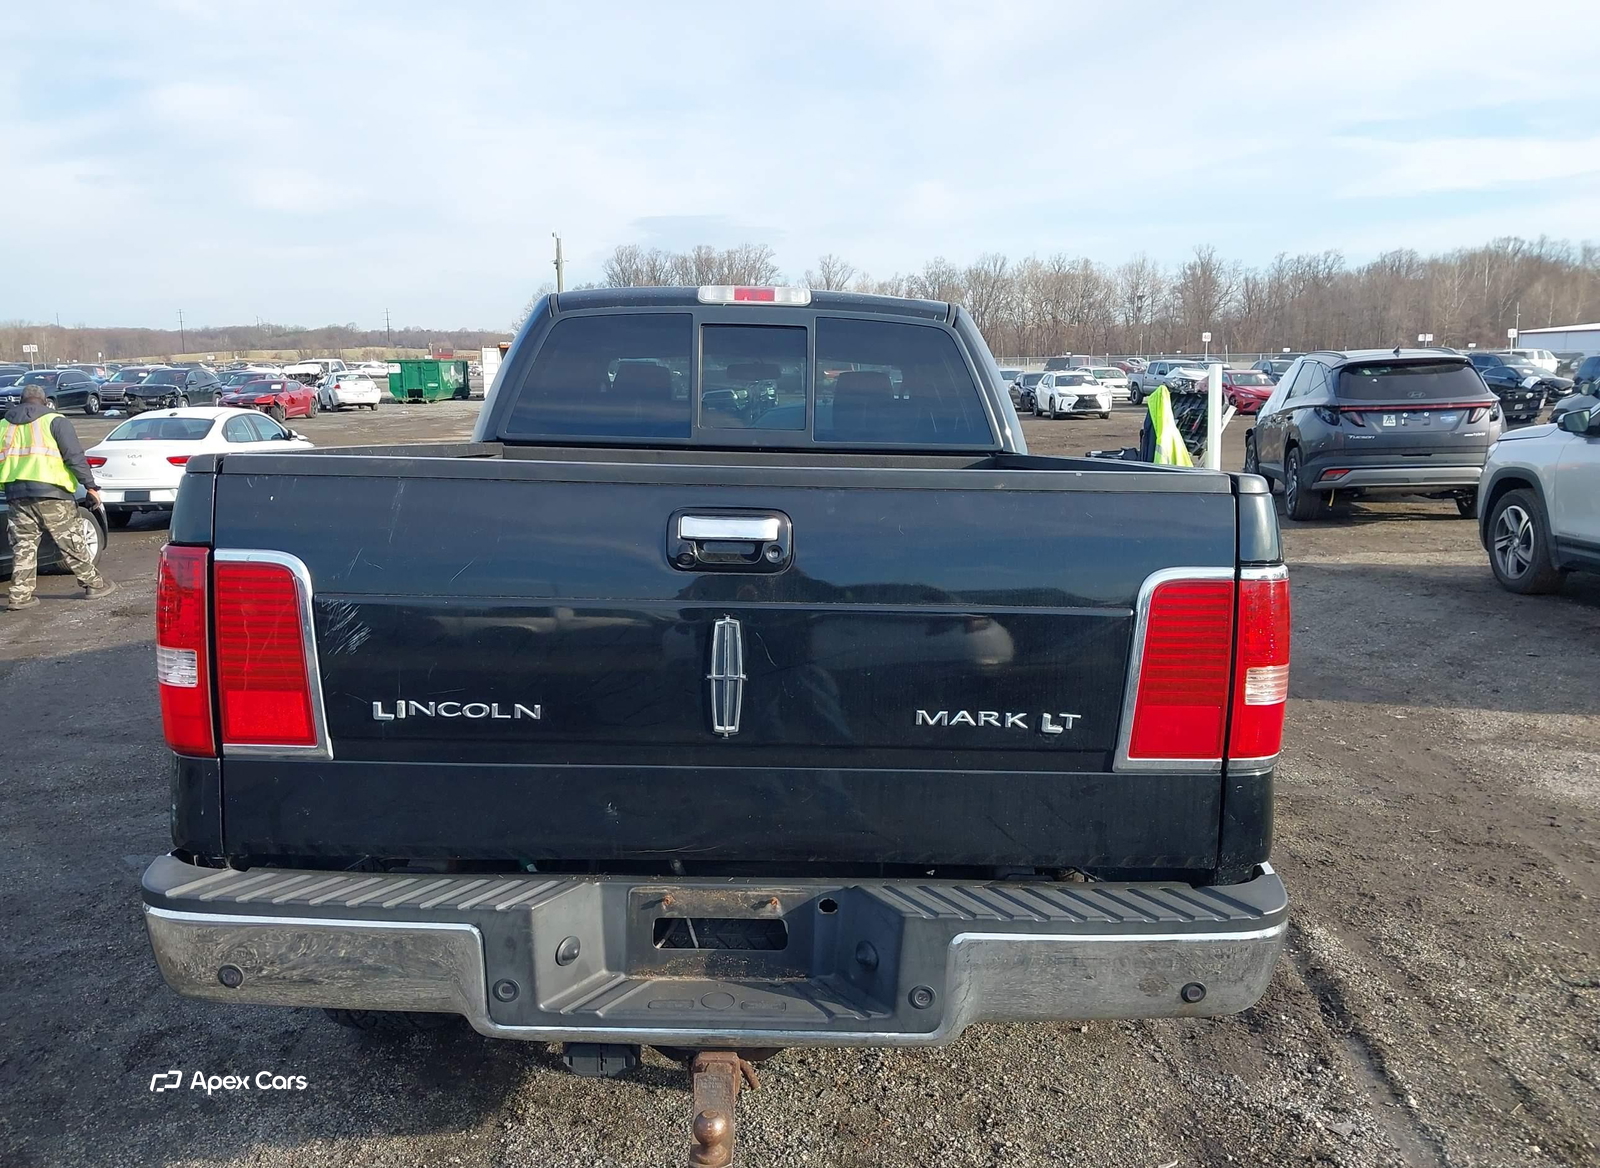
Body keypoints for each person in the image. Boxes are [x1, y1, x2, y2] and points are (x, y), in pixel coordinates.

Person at [2, 384, 116, 610]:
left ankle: (20, 596)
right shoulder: (55, 421)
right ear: (45, 401)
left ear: (21, 401)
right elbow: (74, 456)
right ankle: (93, 584)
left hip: (16, 493)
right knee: (70, 540)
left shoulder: (4, 425)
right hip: (52, 492)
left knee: (23, 545)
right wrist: (90, 486)